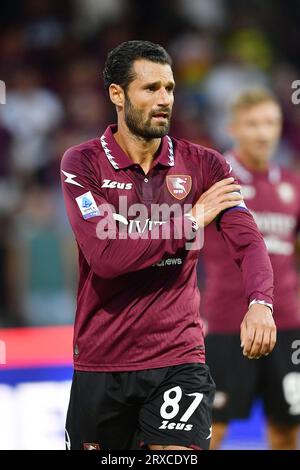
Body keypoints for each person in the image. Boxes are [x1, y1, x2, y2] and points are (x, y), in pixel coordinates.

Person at [61, 41, 276, 451]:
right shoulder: (82, 163)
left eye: (170, 88)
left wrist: (260, 302)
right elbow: (107, 258)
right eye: (151, 89)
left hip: (179, 357)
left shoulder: (205, 165)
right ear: (117, 94)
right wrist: (192, 220)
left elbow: (248, 243)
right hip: (101, 360)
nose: (165, 100)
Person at [202, 88, 300, 450]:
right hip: (228, 325)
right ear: (234, 127)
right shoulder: (216, 181)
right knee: (211, 432)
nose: (263, 133)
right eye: (253, 124)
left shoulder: (292, 184)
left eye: (271, 123)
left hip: (288, 326)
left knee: (287, 430)